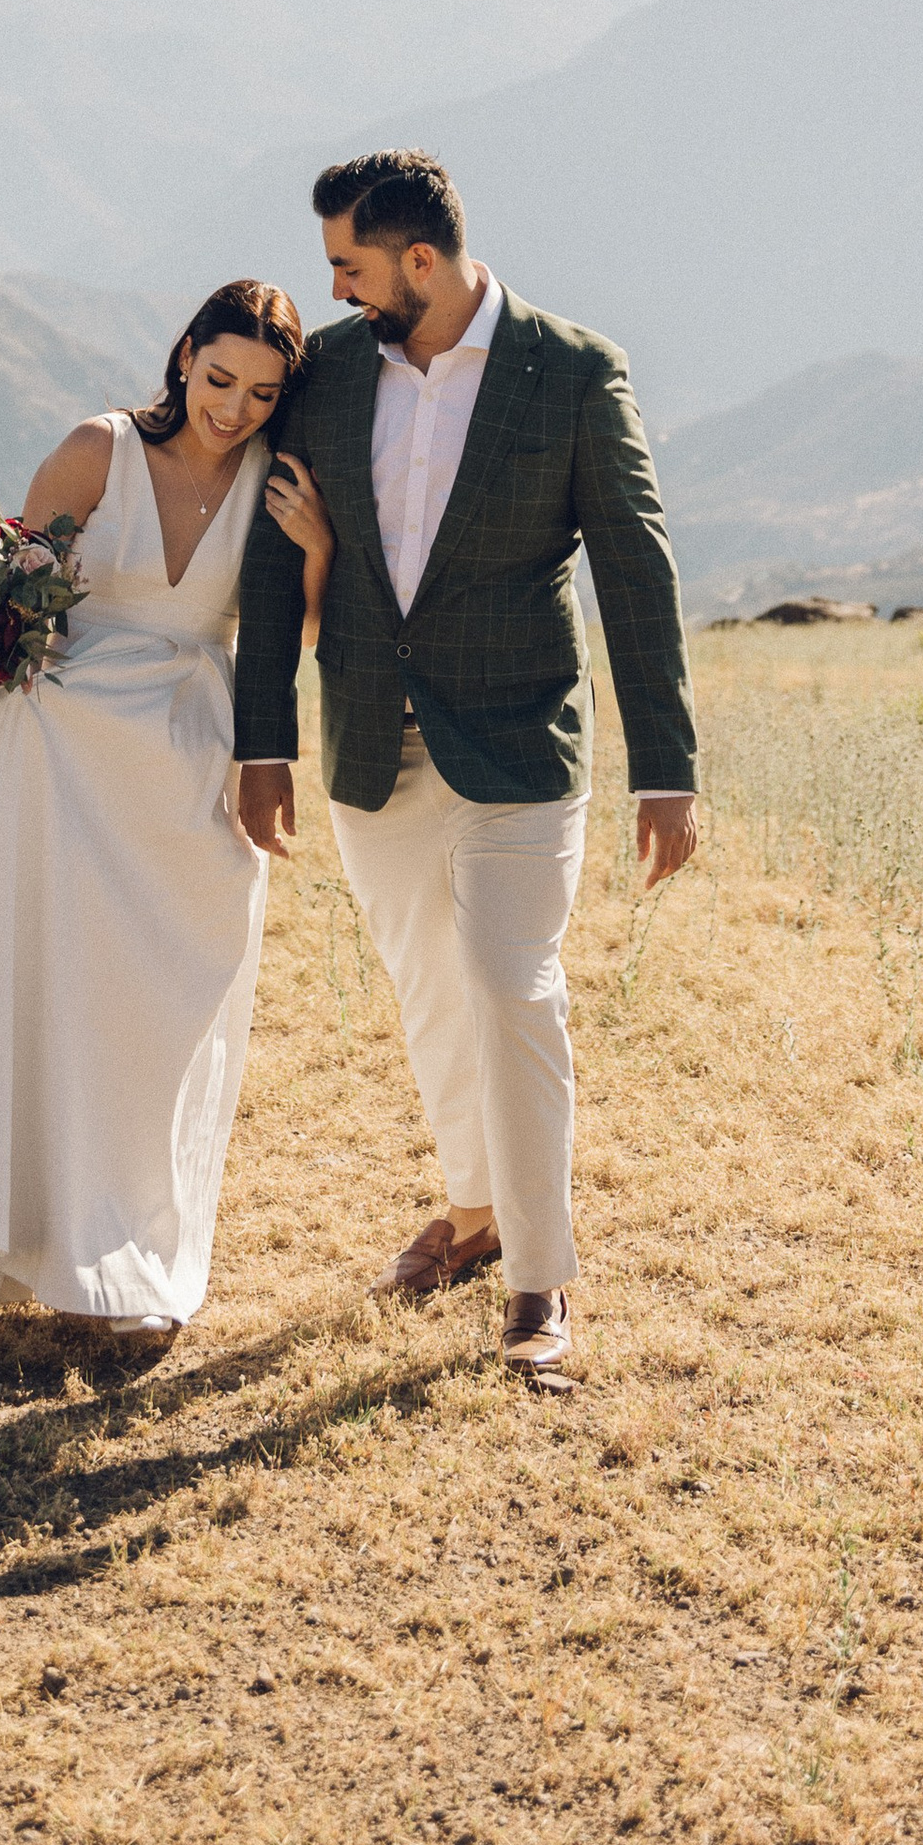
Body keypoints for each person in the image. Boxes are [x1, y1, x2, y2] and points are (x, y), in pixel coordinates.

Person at [232, 153, 696, 1381]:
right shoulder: (329, 375)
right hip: (369, 741)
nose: (334, 291)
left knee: (508, 984)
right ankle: (473, 1214)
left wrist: (666, 767)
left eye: (350, 267)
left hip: (519, 738)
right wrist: (263, 743)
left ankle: (541, 1279)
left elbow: (634, 567)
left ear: (420, 262)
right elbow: (277, 561)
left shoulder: (574, 371)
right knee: (430, 992)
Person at [0, 280, 328, 1335]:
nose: (234, 409)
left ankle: (135, 1248)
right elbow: (13, 596)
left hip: (185, 760)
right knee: (50, 993)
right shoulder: (98, 450)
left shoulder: (275, 481)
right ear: (185, 355)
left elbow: (296, 635)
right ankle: (44, 1248)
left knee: (161, 1012)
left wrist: (316, 546)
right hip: (59, 755)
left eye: (262, 394)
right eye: (220, 379)